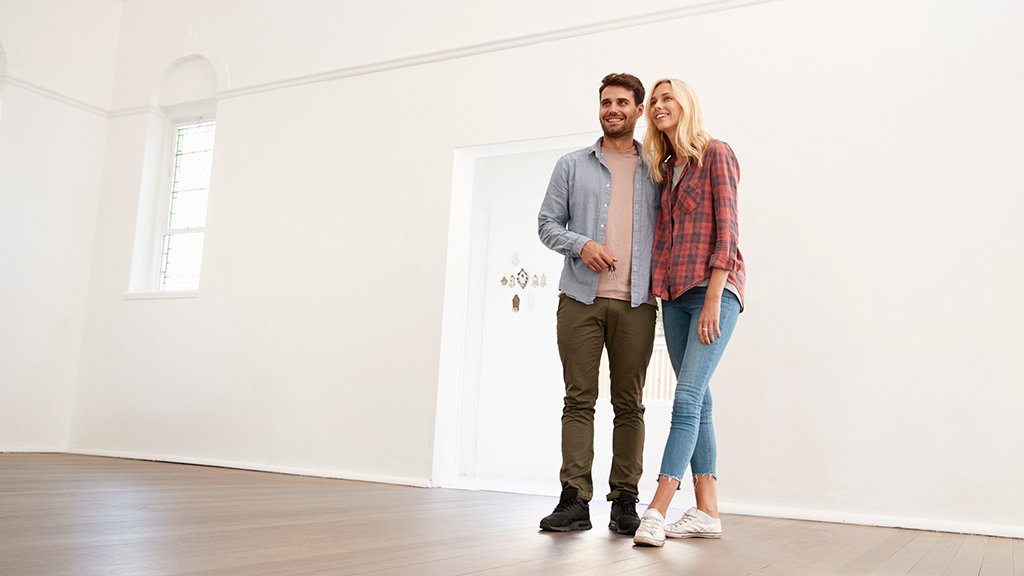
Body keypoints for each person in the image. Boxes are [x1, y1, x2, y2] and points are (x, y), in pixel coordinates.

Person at [537, 73, 661, 535]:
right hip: (580, 301)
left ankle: (625, 501)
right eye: (606, 102)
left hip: (637, 303)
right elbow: (547, 224)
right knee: (578, 400)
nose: (613, 109)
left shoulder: (657, 168)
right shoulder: (572, 165)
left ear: (638, 110)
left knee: (629, 403)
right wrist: (581, 244)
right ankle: (574, 500)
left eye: (622, 102)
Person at [631, 78, 745, 547]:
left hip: (713, 292)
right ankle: (707, 512)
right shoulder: (666, 168)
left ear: (685, 104)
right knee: (701, 402)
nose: (658, 106)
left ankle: (657, 508)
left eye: (666, 98)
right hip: (674, 297)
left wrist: (716, 296)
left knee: (686, 398)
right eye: (654, 101)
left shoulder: (716, 153)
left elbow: (728, 231)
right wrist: (660, 296)